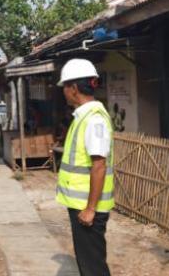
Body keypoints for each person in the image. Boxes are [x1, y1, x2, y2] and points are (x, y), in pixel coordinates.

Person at [56, 58, 114, 276]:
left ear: (73, 89)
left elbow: (99, 165)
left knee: (93, 267)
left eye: (65, 87)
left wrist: (90, 209)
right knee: (87, 262)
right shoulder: (83, 117)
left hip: (88, 208)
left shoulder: (93, 120)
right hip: (81, 204)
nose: (63, 92)